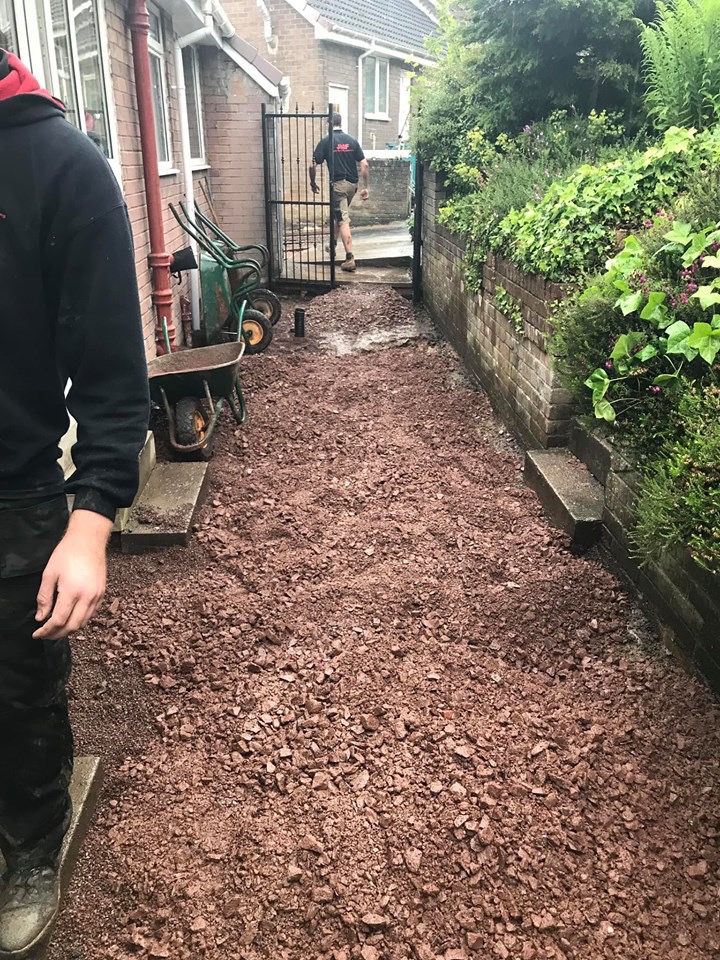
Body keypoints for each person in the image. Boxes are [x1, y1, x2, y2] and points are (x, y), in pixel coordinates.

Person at [0, 47, 149, 956]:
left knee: (18, 696)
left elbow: (112, 378)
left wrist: (90, 523)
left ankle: (29, 846)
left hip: (11, 498)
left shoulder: (59, 165)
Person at [309, 112, 369, 273]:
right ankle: (332, 245)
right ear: (341, 123)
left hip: (338, 186)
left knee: (342, 220)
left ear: (329, 123)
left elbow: (312, 165)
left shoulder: (326, 141)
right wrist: (365, 187)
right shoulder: (351, 141)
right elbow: (364, 165)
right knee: (339, 214)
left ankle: (350, 258)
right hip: (352, 185)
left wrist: (313, 182)